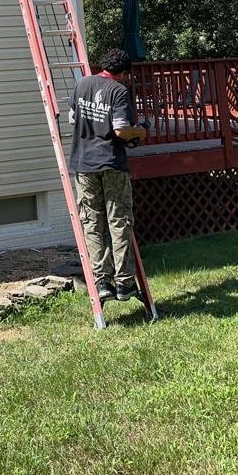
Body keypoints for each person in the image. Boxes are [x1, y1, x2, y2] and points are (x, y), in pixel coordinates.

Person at [68, 48, 148, 304]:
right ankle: (124, 284)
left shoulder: (82, 84)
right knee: (119, 222)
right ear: (123, 73)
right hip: (111, 164)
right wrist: (141, 132)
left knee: (92, 223)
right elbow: (121, 129)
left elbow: (72, 118)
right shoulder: (119, 91)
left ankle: (102, 282)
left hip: (83, 165)